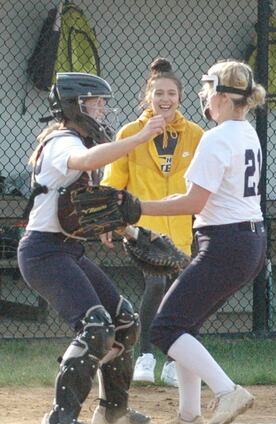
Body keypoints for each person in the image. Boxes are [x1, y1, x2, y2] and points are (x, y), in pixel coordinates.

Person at [19, 72, 165, 424]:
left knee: (125, 320)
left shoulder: (79, 139)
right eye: (95, 102)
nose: (102, 109)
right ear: (74, 105)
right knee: (96, 326)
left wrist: (127, 231)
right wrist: (140, 137)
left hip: (68, 249)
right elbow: (84, 162)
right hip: (43, 251)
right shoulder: (60, 141)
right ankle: (58, 421)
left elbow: (84, 205)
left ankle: (112, 411)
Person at [143, 60, 266, 424]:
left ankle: (227, 392)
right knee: (185, 328)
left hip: (226, 243)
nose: (205, 98)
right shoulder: (246, 132)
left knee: (165, 329)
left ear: (225, 97)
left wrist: (138, 208)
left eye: (210, 90)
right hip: (248, 242)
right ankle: (187, 419)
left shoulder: (217, 137)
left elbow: (193, 201)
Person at [102, 58, 204, 387]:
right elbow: (114, 180)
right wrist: (107, 219)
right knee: (156, 284)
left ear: (180, 97)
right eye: (158, 92)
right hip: (142, 230)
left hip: (182, 231)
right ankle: (146, 355)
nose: (165, 99)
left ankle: (176, 362)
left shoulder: (196, 135)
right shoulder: (130, 133)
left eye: (171, 93)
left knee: (185, 293)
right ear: (148, 96)